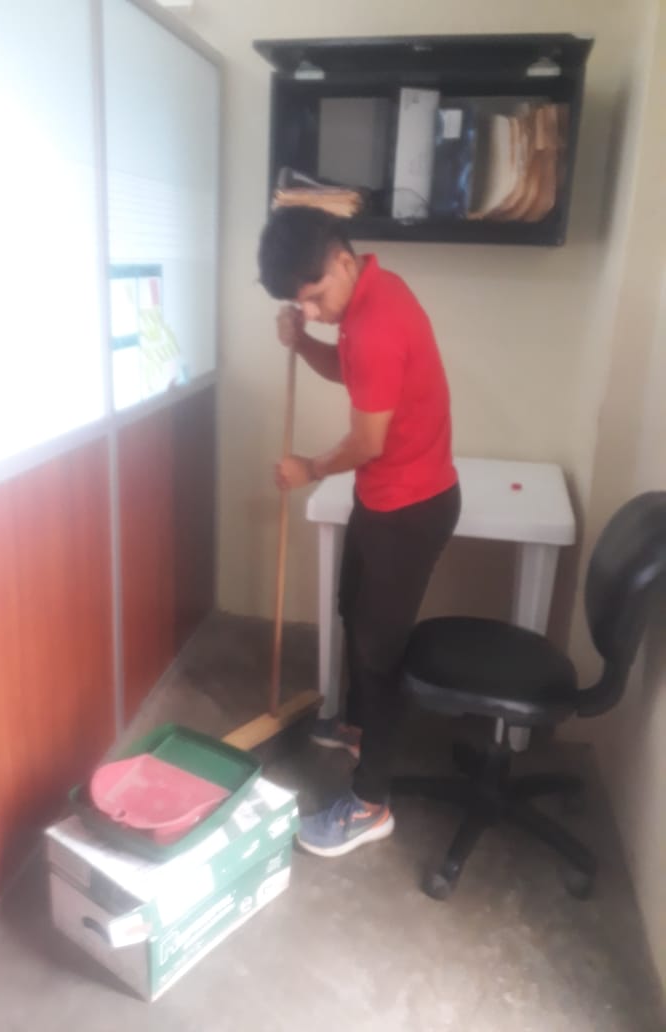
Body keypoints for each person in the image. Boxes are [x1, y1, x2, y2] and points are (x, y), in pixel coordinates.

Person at [257, 206, 461, 858]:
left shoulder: (375, 322)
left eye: (315, 296)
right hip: (385, 497)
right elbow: (351, 372)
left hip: (410, 508)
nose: (310, 309)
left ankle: (371, 805)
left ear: (343, 261)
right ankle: (358, 727)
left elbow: (368, 441)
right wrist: (303, 342)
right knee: (353, 608)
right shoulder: (371, 292)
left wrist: (309, 468)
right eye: (299, 301)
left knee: (380, 653)